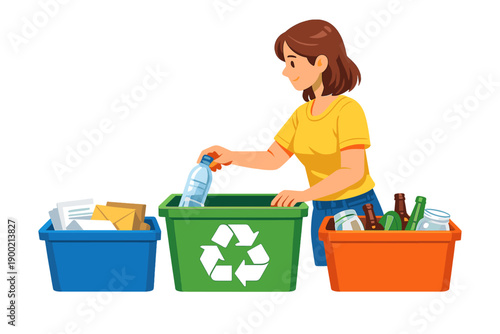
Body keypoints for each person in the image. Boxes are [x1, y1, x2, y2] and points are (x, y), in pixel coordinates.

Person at [198, 19, 383, 266]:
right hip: (321, 212)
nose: (286, 71)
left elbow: (352, 171)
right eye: (286, 63)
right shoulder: (301, 115)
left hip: (359, 211)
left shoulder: (347, 110)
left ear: (320, 62)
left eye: (292, 62)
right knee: (327, 280)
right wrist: (232, 156)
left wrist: (304, 194)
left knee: (361, 275)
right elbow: (274, 158)